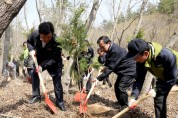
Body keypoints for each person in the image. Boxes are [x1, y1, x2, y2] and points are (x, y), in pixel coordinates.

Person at [125, 39, 178, 118]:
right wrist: (133, 97)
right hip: (164, 78)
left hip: (174, 74)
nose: (135, 60)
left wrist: (156, 89)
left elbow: (173, 77)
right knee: (159, 99)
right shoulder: (141, 61)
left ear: (146, 53)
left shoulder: (165, 55)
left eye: (136, 58)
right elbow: (139, 79)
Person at [27, 21, 66, 111]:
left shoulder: (57, 41)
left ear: (52, 33)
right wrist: (31, 49)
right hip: (39, 59)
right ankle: (36, 96)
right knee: (34, 73)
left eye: (49, 36)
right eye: (44, 37)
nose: (47, 39)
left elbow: (54, 59)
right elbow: (29, 42)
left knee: (57, 81)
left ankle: (59, 101)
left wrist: (42, 66)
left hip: (54, 62)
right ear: (40, 34)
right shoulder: (35, 35)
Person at [96, 36, 136, 109]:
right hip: (122, 71)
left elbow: (111, 67)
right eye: (100, 47)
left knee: (121, 87)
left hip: (129, 70)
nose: (101, 49)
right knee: (117, 86)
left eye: (102, 47)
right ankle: (120, 102)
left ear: (108, 43)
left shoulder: (115, 51)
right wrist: (104, 67)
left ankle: (124, 107)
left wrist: (98, 78)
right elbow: (109, 63)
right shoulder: (109, 51)